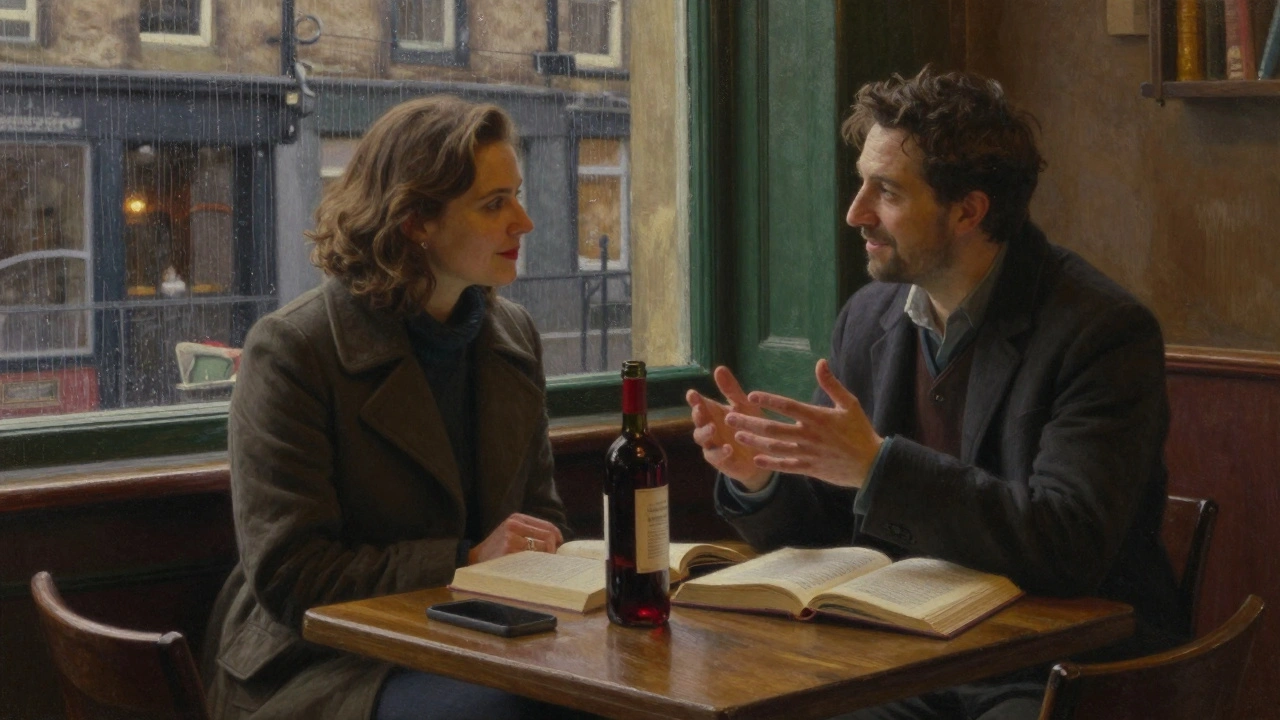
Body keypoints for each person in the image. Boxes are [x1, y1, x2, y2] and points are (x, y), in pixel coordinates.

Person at [685, 67, 1182, 720]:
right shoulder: (867, 319)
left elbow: (1069, 547)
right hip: (904, 661)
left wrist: (877, 466)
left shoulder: (1102, 332)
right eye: (862, 182)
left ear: (968, 211)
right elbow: (835, 532)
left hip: (1056, 671)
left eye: (887, 191)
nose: (855, 212)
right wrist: (761, 479)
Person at [202, 96, 580, 720]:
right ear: (415, 221)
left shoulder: (513, 336)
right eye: (494, 204)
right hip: (322, 663)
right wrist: (464, 563)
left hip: (479, 639)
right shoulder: (293, 349)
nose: (525, 222)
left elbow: (539, 516)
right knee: (508, 712)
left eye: (516, 195)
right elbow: (293, 576)